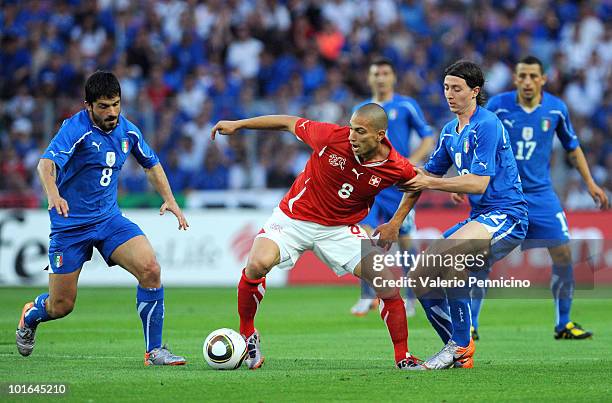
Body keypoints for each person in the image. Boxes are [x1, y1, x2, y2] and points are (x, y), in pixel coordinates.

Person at [210, 104, 422, 370]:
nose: (352, 136)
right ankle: (247, 333)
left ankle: (403, 357)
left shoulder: (394, 166)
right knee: (256, 264)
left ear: (380, 135)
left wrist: (395, 223)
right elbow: (288, 121)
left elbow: (416, 184)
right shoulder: (331, 136)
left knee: (386, 282)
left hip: (339, 230)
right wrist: (239, 124)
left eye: (360, 131)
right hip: (293, 219)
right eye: (351, 128)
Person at [15, 71, 189, 366]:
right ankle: (32, 314)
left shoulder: (128, 131)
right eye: (104, 106)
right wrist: (53, 194)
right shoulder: (76, 128)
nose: (112, 113)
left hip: (109, 221)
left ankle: (154, 351)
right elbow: (46, 165)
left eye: (116, 104)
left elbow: (151, 164)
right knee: (61, 306)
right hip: (70, 226)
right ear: (89, 106)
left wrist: (169, 199)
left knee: (150, 269)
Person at [399, 60, 529, 369]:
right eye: (446, 88)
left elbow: (478, 183)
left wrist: (436, 182)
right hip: (480, 218)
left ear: (475, 91)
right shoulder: (449, 131)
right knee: (419, 276)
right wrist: (394, 223)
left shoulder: (487, 123)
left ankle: (459, 345)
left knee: (446, 255)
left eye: (456, 88)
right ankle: (456, 349)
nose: (449, 94)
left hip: (507, 215)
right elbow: (423, 178)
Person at [469, 55, 609, 340]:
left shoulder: (556, 109)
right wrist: (466, 178)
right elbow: (474, 141)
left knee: (563, 252)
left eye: (534, 76)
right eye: (522, 76)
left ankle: (564, 323)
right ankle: (469, 325)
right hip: (502, 195)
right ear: (516, 79)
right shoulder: (497, 106)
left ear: (543, 79)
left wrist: (590, 183)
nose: (528, 81)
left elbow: (573, 147)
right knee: (479, 257)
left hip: (541, 195)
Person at [350, 58, 434, 317]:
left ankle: (410, 297)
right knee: (364, 237)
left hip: (398, 184)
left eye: (385, 73)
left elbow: (429, 138)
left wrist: (409, 162)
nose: (380, 78)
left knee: (406, 241)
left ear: (393, 77)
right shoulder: (361, 108)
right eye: (376, 73)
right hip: (371, 184)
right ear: (369, 78)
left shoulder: (406, 105)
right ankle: (368, 295)